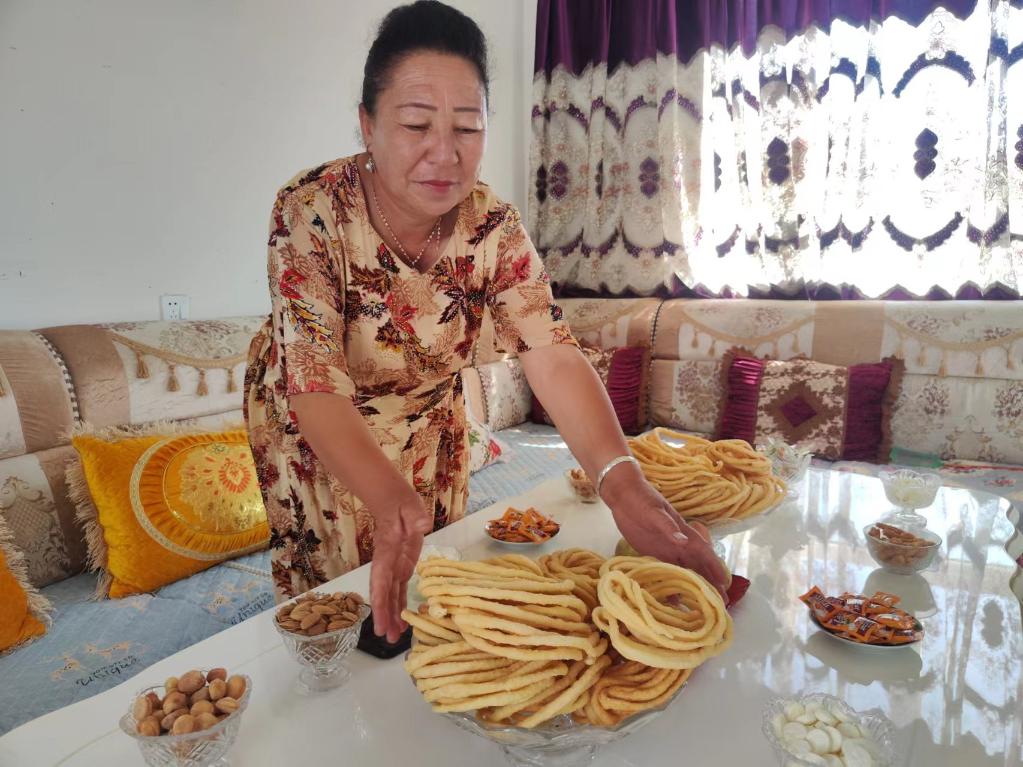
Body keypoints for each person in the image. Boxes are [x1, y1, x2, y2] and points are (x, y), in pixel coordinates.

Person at [244, 0, 728, 643]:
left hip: (431, 427)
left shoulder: (492, 227)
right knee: (338, 622)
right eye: (416, 125)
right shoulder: (311, 210)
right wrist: (389, 503)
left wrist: (623, 486)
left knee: (433, 601)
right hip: (320, 429)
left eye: (468, 128)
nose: (444, 154)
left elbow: (552, 355)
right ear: (367, 124)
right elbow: (314, 386)